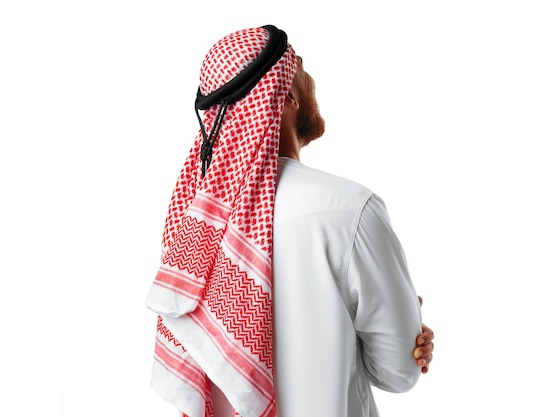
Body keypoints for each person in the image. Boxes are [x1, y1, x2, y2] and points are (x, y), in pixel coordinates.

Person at [145, 25, 434, 417]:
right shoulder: (350, 210)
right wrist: (400, 320)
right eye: (300, 67)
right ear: (287, 97)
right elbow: (399, 372)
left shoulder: (195, 227)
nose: (311, 78)